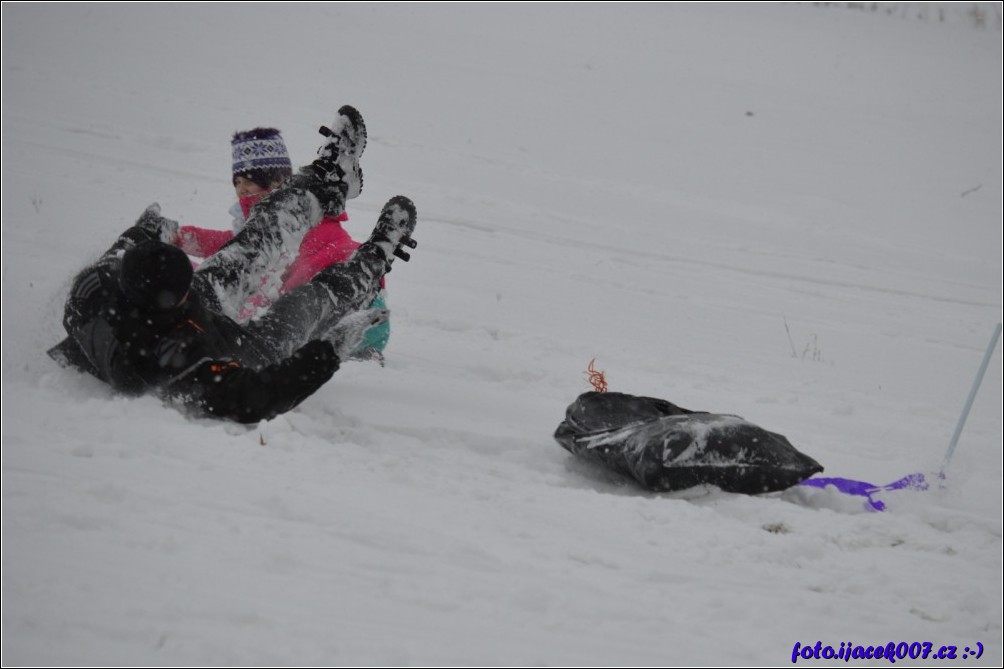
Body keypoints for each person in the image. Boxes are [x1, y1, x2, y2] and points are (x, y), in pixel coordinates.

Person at [48, 106, 417, 424]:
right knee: (304, 306)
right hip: (237, 347)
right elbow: (260, 398)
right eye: (182, 297)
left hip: (176, 310)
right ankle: (374, 261)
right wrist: (329, 349)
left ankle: (327, 181)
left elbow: (123, 251)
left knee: (249, 251)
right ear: (166, 309)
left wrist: (142, 232)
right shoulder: (172, 367)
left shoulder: (98, 284)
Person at [173, 126, 390, 359]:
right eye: (237, 181)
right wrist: (178, 237)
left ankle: (359, 353)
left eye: (250, 181)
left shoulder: (295, 229)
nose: (241, 189)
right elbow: (229, 246)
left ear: (276, 183)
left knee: (233, 302)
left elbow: (269, 280)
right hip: (352, 304)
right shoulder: (272, 225)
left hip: (356, 315)